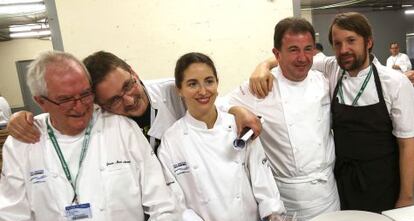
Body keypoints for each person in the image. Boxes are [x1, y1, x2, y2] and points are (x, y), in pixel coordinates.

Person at [0, 51, 176, 221]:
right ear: (41, 101)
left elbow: (160, 203)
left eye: (85, 94)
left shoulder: (121, 128)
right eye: (66, 100)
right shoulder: (23, 143)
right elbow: (14, 217)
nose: (81, 106)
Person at [249, 12, 414, 212]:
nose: (344, 50)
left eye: (351, 41)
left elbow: (407, 145)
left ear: (368, 42)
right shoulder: (332, 67)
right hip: (342, 183)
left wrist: (406, 197)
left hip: (384, 182)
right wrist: (262, 66)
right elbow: (295, 57)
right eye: (337, 44)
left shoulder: (395, 83)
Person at [7, 51, 261, 149]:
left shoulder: (170, 91)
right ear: (98, 102)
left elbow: (209, 99)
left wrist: (238, 109)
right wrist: (19, 119)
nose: (129, 100)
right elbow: (61, 113)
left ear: (133, 71)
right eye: (115, 100)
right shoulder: (96, 111)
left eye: (129, 85)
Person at [220, 18, 340, 221]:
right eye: (293, 49)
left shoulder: (324, 79)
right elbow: (219, 105)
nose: (302, 58)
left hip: (328, 193)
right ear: (277, 54)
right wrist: (238, 110)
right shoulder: (261, 87)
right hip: (286, 200)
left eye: (308, 49)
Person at [157, 52, 286, 221]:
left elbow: (262, 177)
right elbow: (175, 202)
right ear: (179, 90)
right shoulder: (171, 141)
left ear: (217, 83)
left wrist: (274, 217)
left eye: (209, 81)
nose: (203, 91)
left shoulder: (240, 126)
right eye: (192, 84)